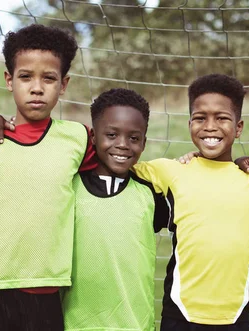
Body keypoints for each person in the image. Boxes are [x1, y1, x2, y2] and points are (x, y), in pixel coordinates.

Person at [131, 73, 249, 331]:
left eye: (221, 118)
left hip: (236, 316)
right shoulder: (171, 171)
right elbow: (116, 163)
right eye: (200, 118)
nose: (210, 126)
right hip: (180, 314)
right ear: (189, 125)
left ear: (238, 127)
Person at [0, 24, 96, 330]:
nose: (36, 87)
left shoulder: (79, 139)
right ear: (8, 80)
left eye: (49, 78)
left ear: (64, 84)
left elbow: (124, 165)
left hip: (45, 287)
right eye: (25, 76)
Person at [61, 88, 171, 330]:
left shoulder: (151, 193)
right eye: (111, 134)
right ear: (93, 137)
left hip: (135, 325)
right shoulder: (68, 186)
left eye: (133, 138)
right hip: (75, 325)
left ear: (144, 142)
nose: (122, 145)